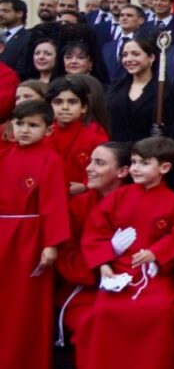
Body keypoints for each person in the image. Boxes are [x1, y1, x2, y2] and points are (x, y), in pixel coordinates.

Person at [74, 137, 174, 369]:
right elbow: (96, 233)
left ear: (164, 168)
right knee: (103, 312)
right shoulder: (117, 198)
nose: (136, 168)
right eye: (134, 162)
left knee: (160, 310)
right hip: (118, 270)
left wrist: (157, 252)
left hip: (155, 273)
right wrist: (103, 263)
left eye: (144, 163)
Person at [0, 100, 70, 369]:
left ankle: (26, 365)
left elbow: (54, 204)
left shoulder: (49, 159)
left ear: (48, 129)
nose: (25, 130)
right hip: (4, 230)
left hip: (29, 237)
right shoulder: (4, 154)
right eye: (20, 124)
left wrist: (51, 243)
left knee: (25, 304)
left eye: (33, 125)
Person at [56, 142, 131, 349]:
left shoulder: (137, 201)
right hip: (87, 288)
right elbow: (67, 254)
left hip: (131, 285)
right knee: (93, 322)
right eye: (90, 161)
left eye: (99, 163)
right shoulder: (79, 205)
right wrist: (103, 259)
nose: (89, 168)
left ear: (122, 171)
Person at [46, 76, 110, 196]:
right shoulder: (42, 133)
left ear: (84, 107)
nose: (65, 107)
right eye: (58, 102)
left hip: (83, 199)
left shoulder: (95, 133)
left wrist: (85, 186)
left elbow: (107, 166)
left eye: (72, 102)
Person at [106, 38, 172, 143]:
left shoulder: (165, 91)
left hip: (146, 154)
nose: (128, 59)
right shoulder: (115, 87)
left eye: (135, 54)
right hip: (116, 152)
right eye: (125, 55)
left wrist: (164, 134)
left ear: (151, 57)